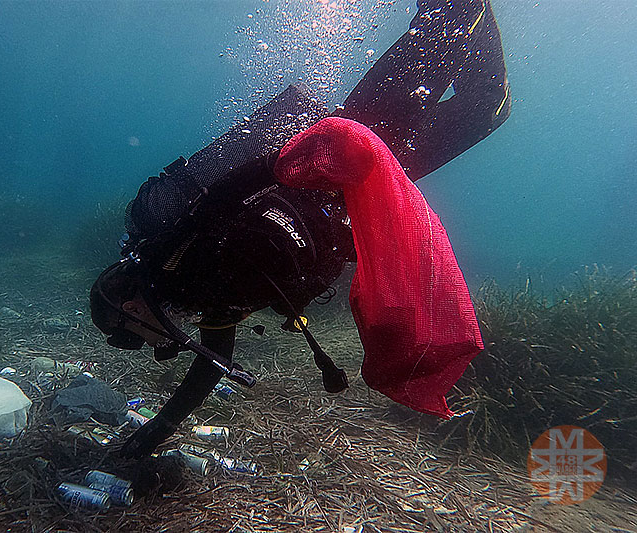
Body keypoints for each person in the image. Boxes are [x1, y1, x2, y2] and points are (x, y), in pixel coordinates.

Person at [90, 0, 511, 459]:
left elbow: (221, 197)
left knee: (440, 36)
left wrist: (300, 161)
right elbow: (213, 365)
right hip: (357, 195)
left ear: (131, 307)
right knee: (487, 107)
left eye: (142, 338)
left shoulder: (176, 258)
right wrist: (156, 432)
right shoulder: (198, 295)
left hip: (338, 153)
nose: (157, 347)